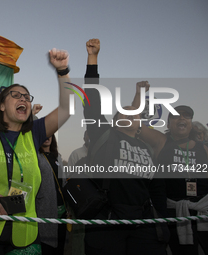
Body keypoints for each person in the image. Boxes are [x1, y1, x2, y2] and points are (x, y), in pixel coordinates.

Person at [0, 48, 73, 254]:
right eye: (16, 95)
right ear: (1, 106)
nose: (24, 100)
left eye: (27, 97)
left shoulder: (34, 133)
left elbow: (67, 108)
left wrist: (63, 71)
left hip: (22, 233)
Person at [83, 38, 168, 255]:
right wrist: (93, 58)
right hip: (107, 222)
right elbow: (91, 98)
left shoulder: (146, 147)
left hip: (144, 225)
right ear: (115, 120)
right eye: (125, 111)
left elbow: (156, 188)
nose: (131, 113)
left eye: (136, 113)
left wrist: (159, 220)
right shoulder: (104, 133)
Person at [132, 82, 208, 255]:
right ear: (169, 123)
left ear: (191, 123)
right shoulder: (161, 141)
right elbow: (133, 122)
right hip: (174, 213)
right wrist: (139, 94)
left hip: (204, 210)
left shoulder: (204, 148)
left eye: (186, 116)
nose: (182, 118)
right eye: (176, 116)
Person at [37, 135, 66, 254]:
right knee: (47, 247)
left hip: (62, 210)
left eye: (50, 134)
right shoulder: (36, 156)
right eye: (43, 134)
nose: (47, 137)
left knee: (60, 246)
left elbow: (63, 181)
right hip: (44, 209)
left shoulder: (57, 156)